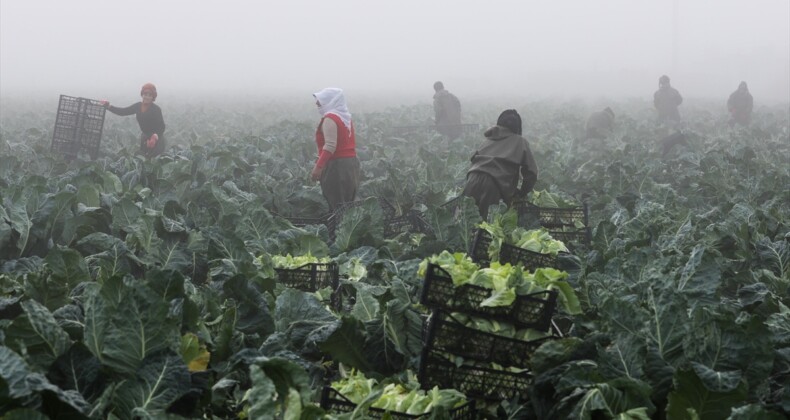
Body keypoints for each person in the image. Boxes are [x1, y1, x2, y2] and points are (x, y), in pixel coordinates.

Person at [462, 109, 538, 220]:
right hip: (493, 184)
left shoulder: (487, 140)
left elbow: (473, 159)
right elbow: (531, 172)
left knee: (466, 223)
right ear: (517, 127)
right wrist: (522, 192)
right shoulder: (520, 141)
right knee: (487, 227)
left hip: (472, 180)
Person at [310, 88, 360, 212]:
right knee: (347, 203)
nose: (317, 104)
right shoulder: (345, 118)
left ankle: (337, 230)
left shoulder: (330, 119)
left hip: (336, 167)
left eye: (320, 101)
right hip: (351, 164)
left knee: (336, 204)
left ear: (330, 101)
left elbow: (330, 146)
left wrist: (318, 167)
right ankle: (347, 229)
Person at [101, 83, 166, 158]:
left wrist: (155, 137)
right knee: (143, 160)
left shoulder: (156, 109)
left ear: (153, 97)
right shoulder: (138, 106)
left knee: (154, 163)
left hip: (157, 140)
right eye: (145, 94)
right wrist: (109, 106)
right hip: (145, 138)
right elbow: (123, 112)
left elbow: (162, 127)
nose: (147, 97)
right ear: (142, 94)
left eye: (150, 95)